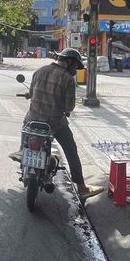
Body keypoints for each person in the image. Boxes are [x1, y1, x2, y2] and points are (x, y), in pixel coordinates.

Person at [21, 47, 100, 202]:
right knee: (71, 151)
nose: (75, 70)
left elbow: (31, 93)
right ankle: (81, 187)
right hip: (54, 123)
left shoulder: (39, 71)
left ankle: (21, 151)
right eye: (75, 66)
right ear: (69, 62)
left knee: (25, 127)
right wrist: (66, 110)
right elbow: (69, 106)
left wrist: (29, 95)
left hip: (33, 119)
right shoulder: (67, 79)